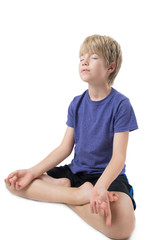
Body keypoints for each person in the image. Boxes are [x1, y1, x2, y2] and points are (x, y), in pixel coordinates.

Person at [5, 34, 138, 239]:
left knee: (123, 227)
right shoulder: (76, 103)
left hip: (106, 176)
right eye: (82, 57)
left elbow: (119, 157)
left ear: (111, 67)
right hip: (76, 172)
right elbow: (64, 148)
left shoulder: (121, 105)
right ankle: (77, 194)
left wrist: (100, 187)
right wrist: (31, 172)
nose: (84, 61)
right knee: (14, 183)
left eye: (93, 57)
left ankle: (67, 196)